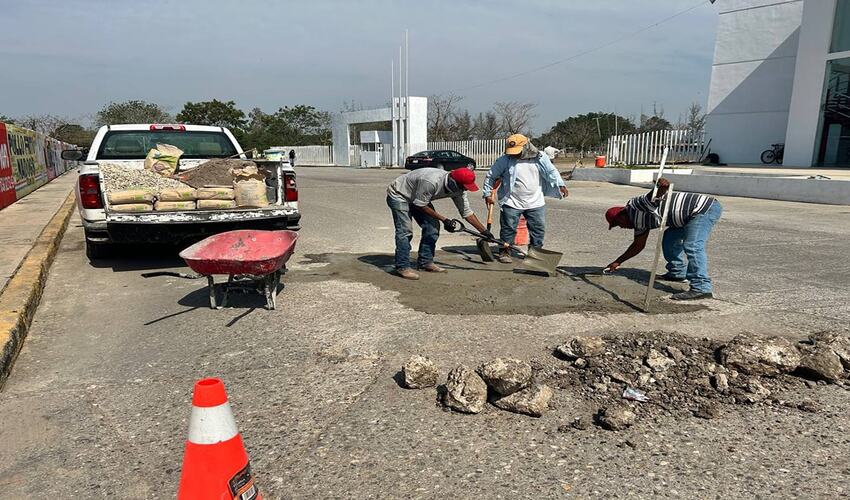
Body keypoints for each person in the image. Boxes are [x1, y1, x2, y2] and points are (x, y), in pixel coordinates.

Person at [605, 178, 723, 300]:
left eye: (618, 223)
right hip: (684, 219)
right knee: (669, 239)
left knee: (693, 246)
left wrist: (662, 186)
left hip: (702, 209)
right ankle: (677, 273)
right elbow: (638, 245)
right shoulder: (638, 223)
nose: (621, 227)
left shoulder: (635, 205)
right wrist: (618, 261)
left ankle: (701, 287)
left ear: (622, 214)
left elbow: (654, 196)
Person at [387, 167, 490, 280]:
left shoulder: (459, 190)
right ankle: (402, 267)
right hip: (400, 195)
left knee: (432, 228)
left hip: (418, 197)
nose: (465, 190)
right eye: (463, 187)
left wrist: (484, 231)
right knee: (405, 231)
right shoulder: (431, 181)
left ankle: (425, 262)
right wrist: (444, 220)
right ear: (453, 181)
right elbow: (420, 205)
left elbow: (466, 213)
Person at [482, 134, 568, 263]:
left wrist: (560, 184)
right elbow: (491, 176)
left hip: (535, 202)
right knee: (508, 228)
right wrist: (487, 193)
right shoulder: (504, 160)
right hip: (511, 201)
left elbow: (551, 171)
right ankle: (505, 251)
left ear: (526, 147)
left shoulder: (540, 158)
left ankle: (535, 253)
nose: (514, 154)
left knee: (538, 230)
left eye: (517, 151)